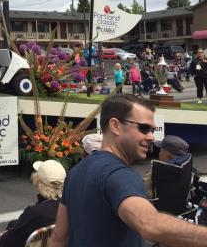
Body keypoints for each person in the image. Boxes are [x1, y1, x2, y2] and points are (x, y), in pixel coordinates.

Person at [49, 93, 207, 247]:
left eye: (152, 130)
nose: (151, 137)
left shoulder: (75, 172)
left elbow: (59, 237)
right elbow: (149, 225)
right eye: (144, 128)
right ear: (115, 126)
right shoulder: (120, 175)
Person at [0, 160, 65, 247]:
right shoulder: (65, 204)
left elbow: (6, 242)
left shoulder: (34, 212)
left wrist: (0, 238)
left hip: (14, 242)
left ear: (39, 181)